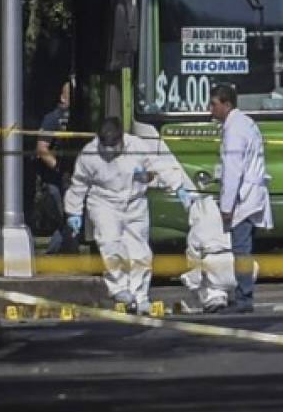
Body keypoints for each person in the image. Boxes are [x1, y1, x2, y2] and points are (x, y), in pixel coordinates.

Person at [64, 116, 193, 314]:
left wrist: (178, 187)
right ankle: (119, 288)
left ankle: (139, 296)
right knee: (110, 243)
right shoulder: (89, 154)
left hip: (134, 203)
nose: (109, 150)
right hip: (104, 203)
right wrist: (73, 211)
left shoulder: (137, 146)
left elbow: (160, 166)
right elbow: (79, 185)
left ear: (121, 139)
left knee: (140, 252)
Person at [208, 83, 273, 313]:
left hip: (243, 199)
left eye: (214, 104)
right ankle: (243, 296)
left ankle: (244, 300)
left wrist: (226, 207)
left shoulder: (234, 129)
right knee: (243, 248)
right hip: (249, 194)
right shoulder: (243, 123)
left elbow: (233, 171)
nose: (210, 109)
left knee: (241, 250)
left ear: (227, 104)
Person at [36, 81, 76, 254]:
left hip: (73, 177)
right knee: (65, 219)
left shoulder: (77, 118)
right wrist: (58, 168)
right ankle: (57, 254)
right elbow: (41, 148)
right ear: (62, 97)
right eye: (70, 95)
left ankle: (60, 253)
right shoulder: (52, 118)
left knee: (69, 219)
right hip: (55, 179)